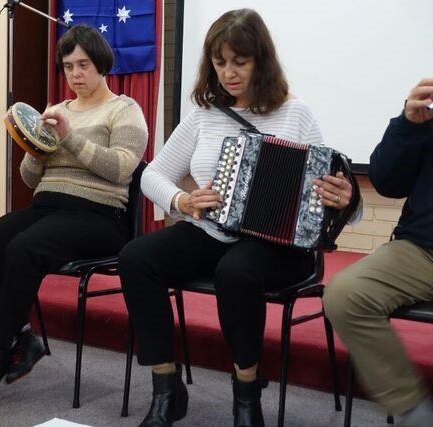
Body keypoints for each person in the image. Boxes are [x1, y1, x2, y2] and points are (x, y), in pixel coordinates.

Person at [118, 9, 359, 427]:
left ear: (260, 60)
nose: (228, 73)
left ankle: (246, 391)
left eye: (240, 62)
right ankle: (166, 386)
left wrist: (346, 200)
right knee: (136, 257)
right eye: (219, 61)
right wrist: (183, 201)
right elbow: (151, 174)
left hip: (280, 248)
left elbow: (338, 206)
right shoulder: (204, 116)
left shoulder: (295, 114)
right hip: (212, 231)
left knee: (237, 271)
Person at [0, 23, 148, 395]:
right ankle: (25, 337)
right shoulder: (57, 109)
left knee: (23, 249)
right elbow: (31, 179)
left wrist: (69, 138)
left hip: (99, 215)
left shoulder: (124, 110)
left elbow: (122, 168)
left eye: (83, 65)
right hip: (47, 206)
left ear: (101, 64)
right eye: (68, 66)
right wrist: (35, 147)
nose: (75, 74)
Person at [324, 79, 433, 427]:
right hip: (421, 249)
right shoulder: (424, 117)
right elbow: (387, 182)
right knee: (344, 293)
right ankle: (411, 411)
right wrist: (407, 125)